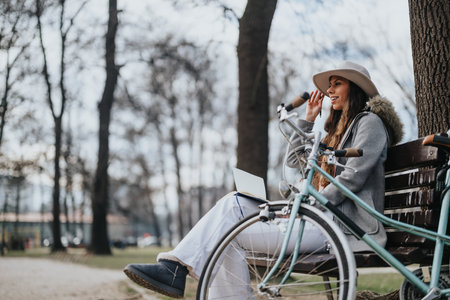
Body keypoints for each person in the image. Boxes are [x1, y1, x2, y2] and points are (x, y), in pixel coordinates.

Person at [123, 61, 404, 299]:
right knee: (235, 205)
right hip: (312, 221)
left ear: (354, 89)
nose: (329, 90)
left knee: (227, 234)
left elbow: (353, 177)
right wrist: (307, 119)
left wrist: (311, 205)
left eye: (337, 83)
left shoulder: (369, 123)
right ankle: (175, 268)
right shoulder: (334, 132)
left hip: (339, 228)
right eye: (329, 84)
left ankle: (175, 270)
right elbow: (295, 162)